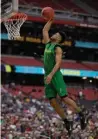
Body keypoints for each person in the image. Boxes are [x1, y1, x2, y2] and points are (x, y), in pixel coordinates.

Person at [43, 19, 87, 135]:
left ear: (59, 39)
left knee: (64, 98)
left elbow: (58, 64)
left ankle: (81, 113)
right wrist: (50, 19)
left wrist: (51, 75)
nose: (54, 34)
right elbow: (45, 30)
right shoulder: (48, 43)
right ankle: (67, 121)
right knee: (52, 102)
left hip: (55, 75)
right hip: (47, 75)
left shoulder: (58, 48)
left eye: (56, 34)